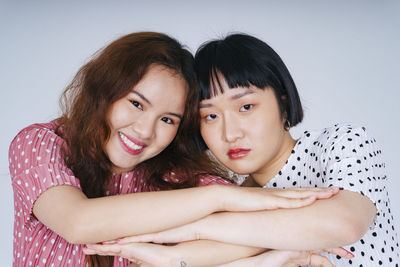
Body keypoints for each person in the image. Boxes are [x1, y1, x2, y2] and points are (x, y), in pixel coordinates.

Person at [9, 32, 339, 267]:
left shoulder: (175, 177)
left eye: (168, 119)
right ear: (104, 91)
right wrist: (222, 199)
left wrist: (269, 257)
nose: (145, 130)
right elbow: (77, 223)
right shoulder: (43, 143)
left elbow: (272, 228)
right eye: (136, 103)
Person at [90, 33, 399, 266]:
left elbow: (343, 223)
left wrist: (196, 229)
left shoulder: (341, 143)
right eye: (210, 116)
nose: (230, 133)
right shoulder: (232, 197)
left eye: (246, 106)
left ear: (284, 101)